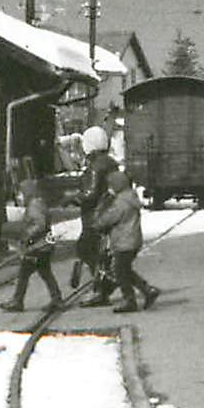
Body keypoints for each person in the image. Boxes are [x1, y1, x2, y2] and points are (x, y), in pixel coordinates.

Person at [92, 154, 158, 313]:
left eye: (111, 185)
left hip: (123, 243)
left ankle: (131, 300)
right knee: (124, 269)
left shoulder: (121, 202)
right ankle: (147, 290)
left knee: (120, 271)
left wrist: (97, 222)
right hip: (133, 241)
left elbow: (108, 218)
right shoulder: (130, 197)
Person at [1, 165, 62, 312]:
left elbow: (39, 225)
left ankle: (18, 301)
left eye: (21, 193)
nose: (20, 196)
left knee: (24, 274)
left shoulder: (35, 205)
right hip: (43, 246)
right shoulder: (37, 203)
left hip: (37, 247)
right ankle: (56, 298)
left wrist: (27, 234)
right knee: (44, 273)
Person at [74, 126, 120, 306]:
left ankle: (102, 287)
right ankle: (103, 285)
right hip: (110, 212)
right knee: (102, 253)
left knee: (86, 249)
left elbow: (91, 193)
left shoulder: (95, 166)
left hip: (95, 216)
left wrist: (73, 198)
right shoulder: (111, 162)